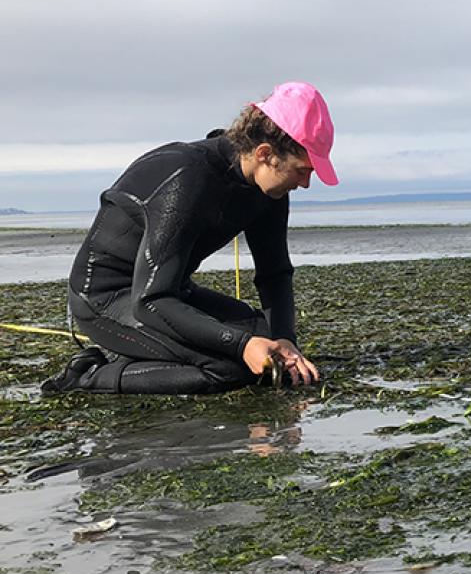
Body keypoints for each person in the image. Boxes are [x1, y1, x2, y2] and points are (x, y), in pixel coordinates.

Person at [41, 82, 337, 395]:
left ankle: (144, 353)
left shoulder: (270, 190)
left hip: (169, 292)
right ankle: (87, 376)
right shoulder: (188, 179)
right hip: (106, 300)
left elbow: (274, 273)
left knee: (264, 340)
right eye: (303, 170)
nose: (306, 183)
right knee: (232, 366)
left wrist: (284, 338)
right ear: (265, 154)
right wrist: (240, 346)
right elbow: (150, 300)